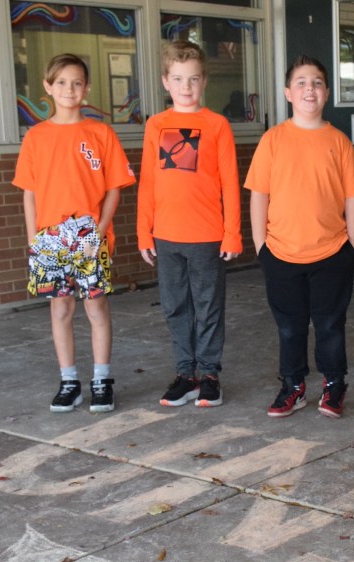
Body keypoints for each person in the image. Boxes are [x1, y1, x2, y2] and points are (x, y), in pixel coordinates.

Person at [245, 55, 354, 419]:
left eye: (316, 83)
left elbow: (353, 198)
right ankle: (293, 385)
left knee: (330, 324)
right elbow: (259, 196)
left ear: (327, 92)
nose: (309, 89)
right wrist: (261, 247)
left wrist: (351, 248)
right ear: (288, 93)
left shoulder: (338, 142)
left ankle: (334, 384)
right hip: (280, 253)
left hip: (332, 252)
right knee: (289, 326)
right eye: (301, 83)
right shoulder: (272, 140)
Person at [13, 53, 135, 413]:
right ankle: (69, 382)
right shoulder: (36, 137)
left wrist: (99, 232)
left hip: (89, 237)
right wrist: (33, 239)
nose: (70, 89)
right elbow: (29, 192)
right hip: (49, 238)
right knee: (60, 308)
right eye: (62, 82)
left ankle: (102, 380)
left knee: (96, 306)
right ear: (48, 87)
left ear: (87, 88)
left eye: (77, 82)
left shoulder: (100, 133)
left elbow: (114, 188)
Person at [138, 41, 241, 410]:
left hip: (207, 235)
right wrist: (144, 230)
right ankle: (186, 374)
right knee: (175, 306)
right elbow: (148, 182)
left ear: (204, 81)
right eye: (179, 79)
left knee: (208, 306)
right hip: (166, 235)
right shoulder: (156, 124)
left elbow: (230, 181)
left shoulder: (217, 125)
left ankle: (209, 374)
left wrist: (232, 233)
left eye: (194, 79)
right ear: (166, 81)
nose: (186, 86)